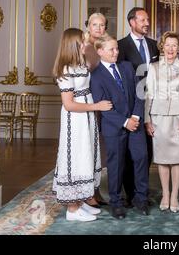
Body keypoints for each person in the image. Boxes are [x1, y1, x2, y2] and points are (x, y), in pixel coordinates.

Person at [51, 28, 113, 222]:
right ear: (73, 44)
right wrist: (97, 106)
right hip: (75, 120)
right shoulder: (66, 69)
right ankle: (72, 209)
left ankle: (81, 202)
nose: (86, 44)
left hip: (87, 117)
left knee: (87, 154)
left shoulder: (81, 64)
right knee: (75, 157)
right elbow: (68, 104)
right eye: (83, 42)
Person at [90, 35, 150, 219]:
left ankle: (141, 198)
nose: (116, 52)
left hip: (136, 122)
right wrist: (125, 122)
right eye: (112, 50)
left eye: (116, 48)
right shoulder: (96, 75)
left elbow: (140, 94)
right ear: (100, 51)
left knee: (141, 159)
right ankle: (116, 202)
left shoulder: (126, 66)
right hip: (114, 127)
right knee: (116, 166)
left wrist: (135, 116)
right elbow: (104, 107)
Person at [144, 32, 179, 213]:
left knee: (178, 159)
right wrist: (147, 119)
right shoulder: (154, 67)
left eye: (175, 45)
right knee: (162, 159)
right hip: (158, 119)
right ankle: (165, 194)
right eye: (168, 45)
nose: (171, 49)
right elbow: (148, 95)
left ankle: (174, 196)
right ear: (162, 47)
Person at [118, 7, 159, 208]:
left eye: (148, 19)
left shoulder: (153, 45)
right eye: (142, 19)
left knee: (146, 151)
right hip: (130, 104)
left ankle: (141, 191)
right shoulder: (120, 47)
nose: (147, 23)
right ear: (132, 22)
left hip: (152, 103)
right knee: (128, 153)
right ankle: (130, 194)